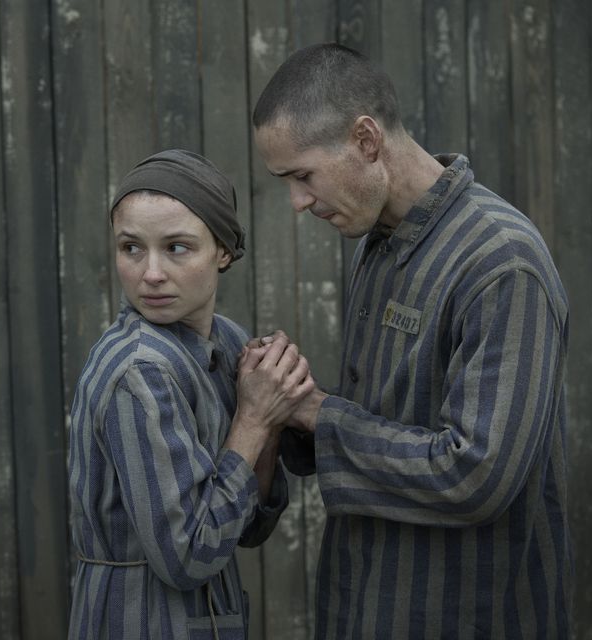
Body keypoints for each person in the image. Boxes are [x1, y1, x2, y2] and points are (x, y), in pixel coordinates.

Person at [245, 43, 573, 638]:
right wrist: (289, 405)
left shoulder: (501, 261)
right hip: (365, 609)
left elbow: (476, 475)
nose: (297, 202)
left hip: (468, 617)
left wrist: (323, 415)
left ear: (367, 141)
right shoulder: (378, 242)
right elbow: (395, 421)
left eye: (302, 176)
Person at [67, 149, 316, 639]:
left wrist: (271, 410)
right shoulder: (137, 372)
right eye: (131, 248)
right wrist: (254, 421)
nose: (151, 273)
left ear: (222, 250)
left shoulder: (225, 340)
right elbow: (187, 556)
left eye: (177, 247)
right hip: (136, 623)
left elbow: (248, 529)